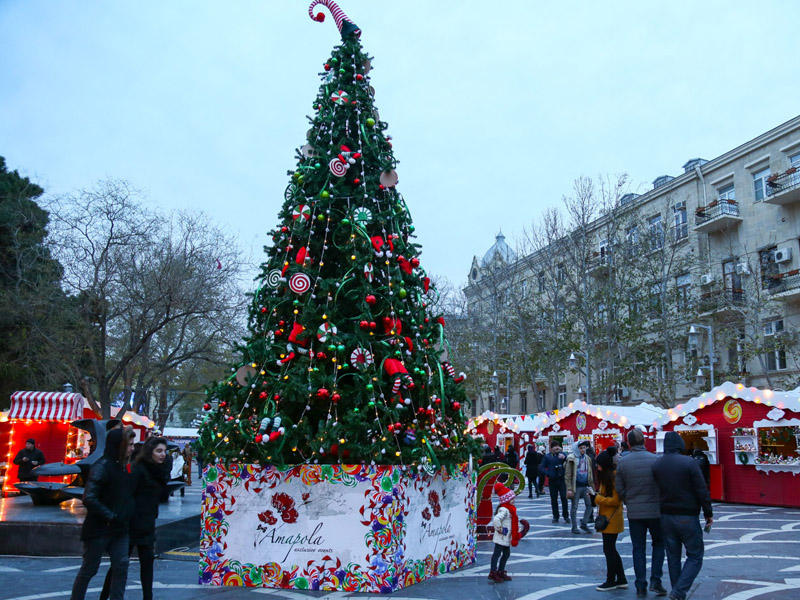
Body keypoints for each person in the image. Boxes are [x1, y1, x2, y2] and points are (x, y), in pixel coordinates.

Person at [99, 436, 169, 600]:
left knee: (147, 566)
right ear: (149, 452)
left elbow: (162, 496)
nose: (163, 454)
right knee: (119, 565)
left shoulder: (158, 471)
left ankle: (148, 597)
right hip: (130, 525)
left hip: (147, 524)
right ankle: (104, 596)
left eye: (164, 451)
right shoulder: (137, 469)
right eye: (159, 451)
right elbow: (126, 495)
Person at [70, 427, 136, 600]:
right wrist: (111, 516)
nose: (132, 448)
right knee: (90, 569)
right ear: (119, 446)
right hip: (99, 528)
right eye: (129, 445)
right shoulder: (102, 466)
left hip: (119, 529)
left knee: (121, 566)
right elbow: (89, 497)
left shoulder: (124, 467)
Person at [652, 432, 713, 600]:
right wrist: (708, 513)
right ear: (680, 444)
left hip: (665, 516)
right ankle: (679, 592)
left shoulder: (657, 465)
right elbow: (701, 490)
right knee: (695, 555)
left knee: (673, 556)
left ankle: (677, 591)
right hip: (687, 516)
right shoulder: (689, 463)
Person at [616, 428, 667, 597]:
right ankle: (656, 580)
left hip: (635, 512)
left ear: (629, 443)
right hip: (655, 511)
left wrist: (629, 500)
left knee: (638, 548)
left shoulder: (623, 462)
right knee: (659, 544)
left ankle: (640, 584)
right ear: (644, 441)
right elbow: (662, 485)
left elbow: (619, 488)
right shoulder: (656, 459)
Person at [594, 449, 627, 591]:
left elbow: (615, 500)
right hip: (608, 518)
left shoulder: (612, 477)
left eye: (599, 464)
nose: (597, 467)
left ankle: (611, 580)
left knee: (609, 550)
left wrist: (596, 498)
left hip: (611, 519)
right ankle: (621, 579)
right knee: (611, 549)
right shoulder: (608, 477)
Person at [488, 482, 521, 583]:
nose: (514, 500)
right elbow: (496, 520)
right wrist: (501, 529)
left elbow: (512, 523)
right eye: (512, 499)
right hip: (501, 537)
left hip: (506, 538)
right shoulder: (504, 509)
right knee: (497, 554)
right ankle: (493, 572)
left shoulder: (510, 510)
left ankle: (500, 571)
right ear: (506, 499)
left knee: (506, 554)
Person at [566, 441, 594, 534]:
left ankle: (584, 523)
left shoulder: (587, 458)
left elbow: (590, 472)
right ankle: (574, 527)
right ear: (576, 448)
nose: (583, 450)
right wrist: (569, 488)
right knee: (574, 507)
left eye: (584, 448)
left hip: (586, 485)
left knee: (590, 505)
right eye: (581, 448)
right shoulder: (571, 458)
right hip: (576, 486)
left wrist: (591, 486)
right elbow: (568, 474)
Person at [540, 441, 568, 524]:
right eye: (555, 446)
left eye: (558, 446)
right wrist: (548, 473)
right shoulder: (547, 457)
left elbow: (569, 461)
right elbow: (541, 467)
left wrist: (565, 457)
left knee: (564, 498)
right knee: (554, 499)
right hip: (552, 480)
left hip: (562, 479)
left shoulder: (562, 455)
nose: (557, 448)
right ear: (551, 448)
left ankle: (566, 516)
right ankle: (555, 516)